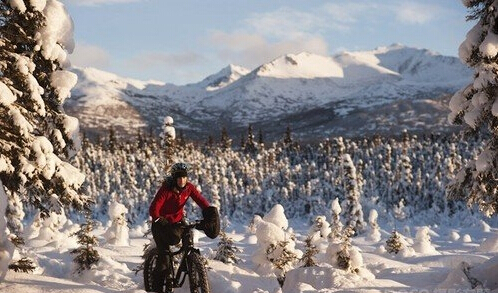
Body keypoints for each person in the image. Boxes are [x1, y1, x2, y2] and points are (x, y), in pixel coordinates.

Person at [149, 162, 219, 292]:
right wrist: (160, 220)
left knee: (188, 242)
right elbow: (153, 209)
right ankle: (156, 287)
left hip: (178, 222)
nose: (182, 180)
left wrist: (209, 212)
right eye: (179, 177)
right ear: (174, 178)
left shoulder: (189, 188)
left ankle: (192, 264)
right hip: (160, 225)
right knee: (164, 258)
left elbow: (201, 200)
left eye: (184, 177)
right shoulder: (166, 189)